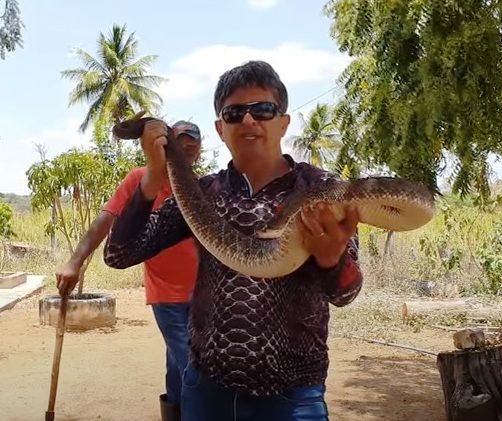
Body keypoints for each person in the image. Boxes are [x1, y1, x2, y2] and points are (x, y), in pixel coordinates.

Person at [103, 60, 363, 421]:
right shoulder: (201, 194)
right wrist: (152, 176)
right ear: (220, 128)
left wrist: (333, 259)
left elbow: (345, 294)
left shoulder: (320, 191)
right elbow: (119, 253)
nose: (249, 121)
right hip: (206, 391)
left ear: (284, 122)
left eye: (263, 109)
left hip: (291, 397)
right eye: (235, 112)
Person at [55, 120, 202, 421]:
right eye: (178, 146)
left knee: (178, 365)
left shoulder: (201, 187)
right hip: (167, 295)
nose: (184, 153)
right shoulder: (141, 179)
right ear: (164, 147)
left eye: (192, 149)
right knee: (194, 365)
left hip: (203, 294)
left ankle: (175, 412)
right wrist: (75, 261)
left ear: (198, 154)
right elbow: (104, 221)